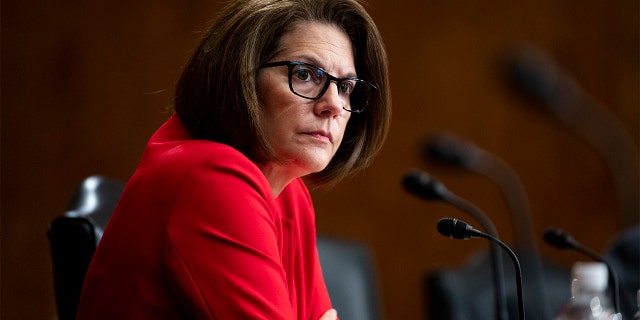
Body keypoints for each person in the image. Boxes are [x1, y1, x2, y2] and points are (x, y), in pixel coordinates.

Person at [76, 0, 391, 319]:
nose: (334, 105)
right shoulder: (209, 178)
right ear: (244, 78)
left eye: (346, 86)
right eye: (306, 74)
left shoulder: (291, 196)